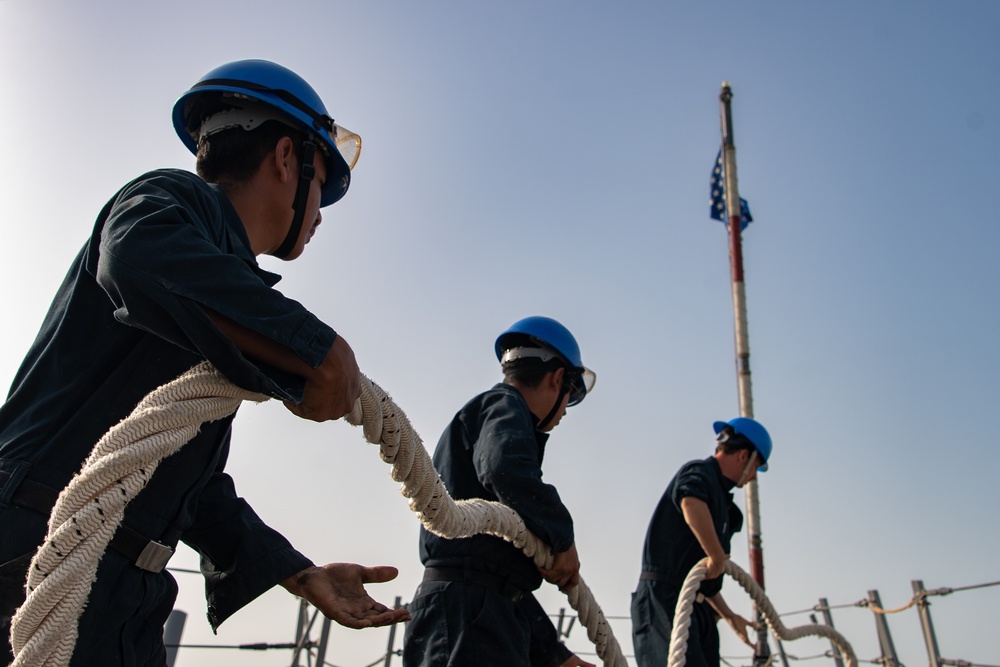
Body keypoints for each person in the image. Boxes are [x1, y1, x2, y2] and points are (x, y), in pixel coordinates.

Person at [0, 59, 409, 666]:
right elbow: (136, 255)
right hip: (33, 555)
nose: (320, 212)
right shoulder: (169, 199)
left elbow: (188, 483)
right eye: (321, 183)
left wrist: (299, 573)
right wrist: (315, 348)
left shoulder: (222, 299)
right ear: (285, 159)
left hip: (124, 595)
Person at [402, 316, 598, 667]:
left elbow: (499, 573)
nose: (565, 411)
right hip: (466, 616)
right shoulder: (505, 406)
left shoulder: (488, 416)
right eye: (570, 396)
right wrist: (562, 537)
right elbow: (503, 467)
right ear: (558, 379)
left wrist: (556, 656)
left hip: (470, 612)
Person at [630, 417, 773, 667]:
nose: (752, 477)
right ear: (744, 456)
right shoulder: (699, 473)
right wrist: (716, 553)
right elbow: (690, 502)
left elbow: (709, 571)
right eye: (756, 468)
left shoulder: (725, 507)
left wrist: (729, 616)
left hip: (698, 607)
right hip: (663, 600)